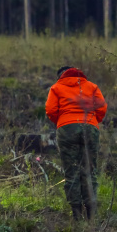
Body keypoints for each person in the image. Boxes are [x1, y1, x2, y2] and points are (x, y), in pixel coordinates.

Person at [45, 66, 107, 220]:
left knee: (71, 171)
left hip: (67, 129)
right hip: (90, 127)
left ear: (60, 76)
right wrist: (93, 121)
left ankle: (77, 214)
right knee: (90, 171)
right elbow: (102, 107)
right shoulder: (92, 86)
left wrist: (62, 122)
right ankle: (91, 214)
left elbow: (50, 110)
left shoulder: (56, 87)